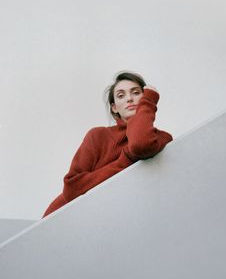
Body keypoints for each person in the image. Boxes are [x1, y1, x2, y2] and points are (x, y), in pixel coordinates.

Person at [42, 71, 173, 217]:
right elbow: (72, 188)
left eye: (136, 93)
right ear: (114, 107)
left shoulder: (161, 138)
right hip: (58, 220)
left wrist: (147, 103)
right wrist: (126, 159)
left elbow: (140, 144)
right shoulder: (98, 135)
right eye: (121, 95)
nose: (129, 99)